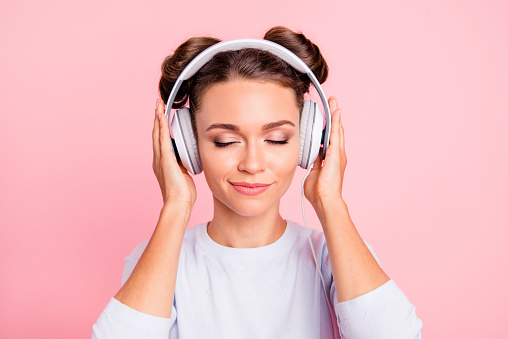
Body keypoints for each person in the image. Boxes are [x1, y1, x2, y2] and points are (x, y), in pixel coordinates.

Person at [91, 26, 423, 338]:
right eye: (224, 141)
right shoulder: (157, 261)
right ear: (187, 146)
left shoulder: (333, 255)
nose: (252, 164)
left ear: (310, 141)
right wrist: (175, 206)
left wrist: (330, 202)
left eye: (277, 139)